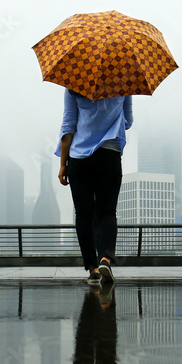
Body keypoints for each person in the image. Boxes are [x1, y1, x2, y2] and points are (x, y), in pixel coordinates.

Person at [56, 89, 133, 286]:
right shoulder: (124, 83)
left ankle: (93, 269)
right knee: (107, 211)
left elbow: (68, 127)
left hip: (79, 159)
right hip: (110, 155)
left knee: (83, 214)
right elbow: (128, 121)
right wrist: (109, 119)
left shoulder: (74, 84)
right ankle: (105, 259)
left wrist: (63, 164)